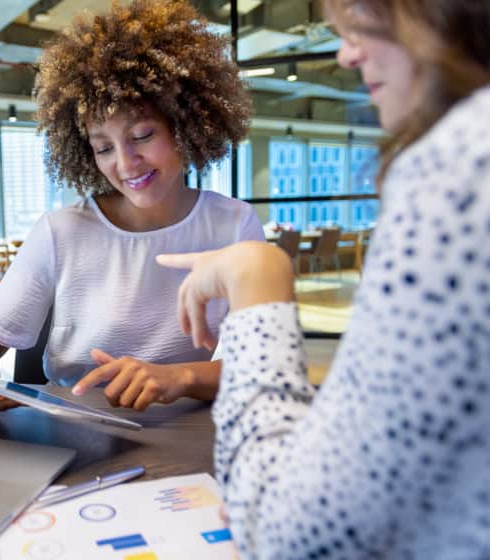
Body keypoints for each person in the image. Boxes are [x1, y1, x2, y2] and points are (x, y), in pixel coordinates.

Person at [157, 0, 490, 558]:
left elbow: (292, 532)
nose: (346, 52)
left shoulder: (458, 173)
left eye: (364, 19)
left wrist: (256, 276)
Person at [0, 0, 262, 412]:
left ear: (186, 126)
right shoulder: (61, 231)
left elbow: (255, 366)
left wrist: (179, 377)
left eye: (142, 136)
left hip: (193, 434)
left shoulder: (233, 225)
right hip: (74, 429)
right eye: (103, 147)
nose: (124, 164)